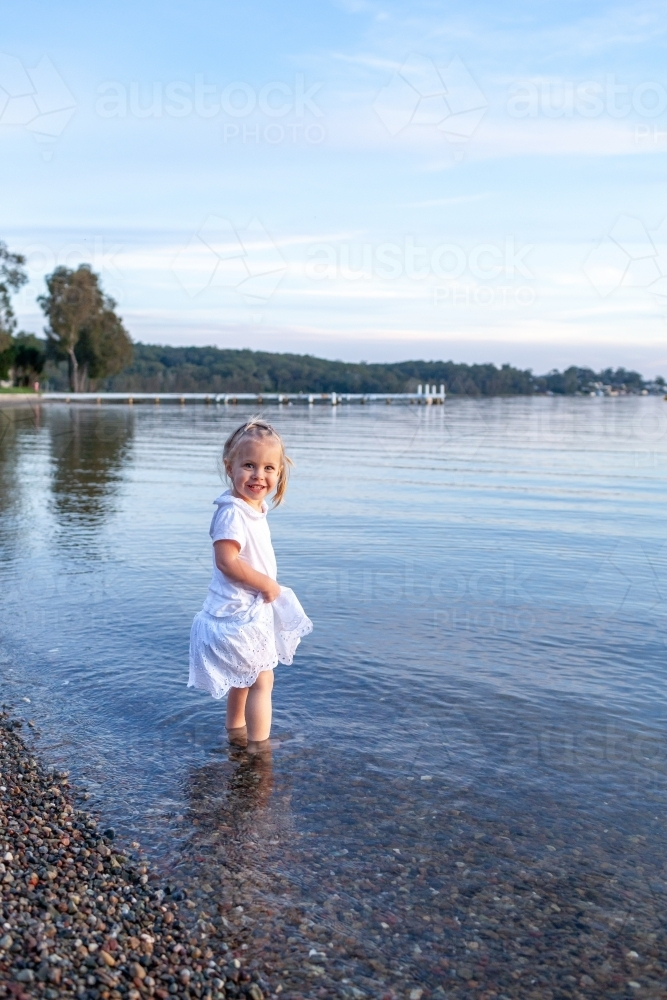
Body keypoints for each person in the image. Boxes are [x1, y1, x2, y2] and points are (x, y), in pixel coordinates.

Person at [188, 418, 312, 753]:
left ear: (279, 474)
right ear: (230, 468)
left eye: (269, 467)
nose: (259, 476)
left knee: (242, 682)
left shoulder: (251, 507)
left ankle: (235, 735)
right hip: (238, 616)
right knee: (262, 680)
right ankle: (259, 749)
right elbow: (226, 561)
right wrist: (266, 585)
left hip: (239, 611)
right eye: (249, 465)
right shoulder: (232, 513)